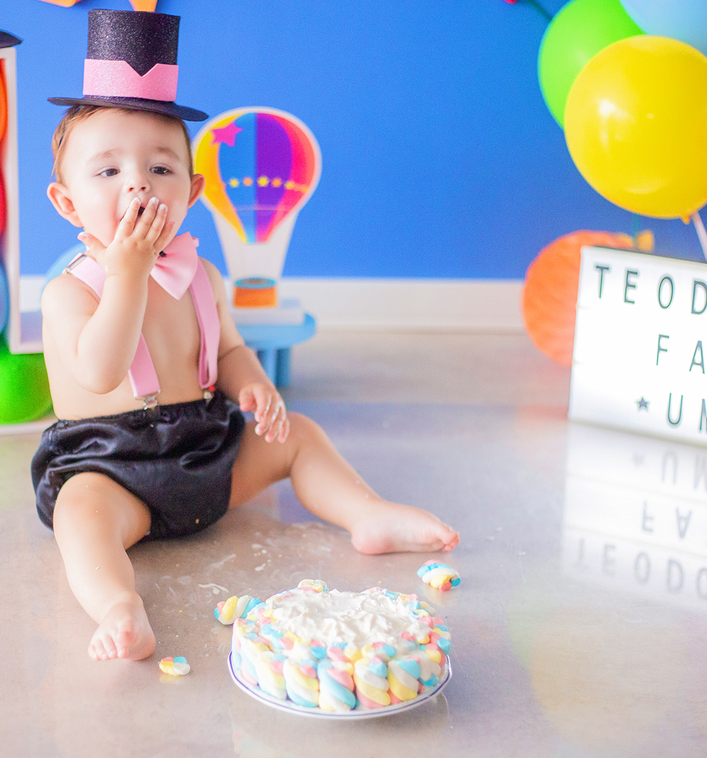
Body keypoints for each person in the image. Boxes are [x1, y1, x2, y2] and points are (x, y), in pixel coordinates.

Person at [33, 9, 458, 662]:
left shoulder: (201, 274)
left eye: (161, 169)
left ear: (194, 191)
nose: (139, 182)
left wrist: (253, 385)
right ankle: (120, 604)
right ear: (66, 203)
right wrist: (128, 276)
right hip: (113, 468)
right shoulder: (70, 293)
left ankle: (365, 513)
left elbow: (226, 350)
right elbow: (100, 370)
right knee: (78, 518)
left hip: (208, 449)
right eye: (109, 171)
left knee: (300, 438)